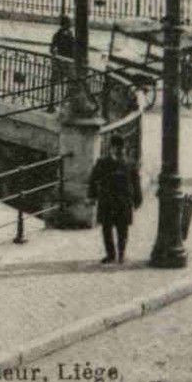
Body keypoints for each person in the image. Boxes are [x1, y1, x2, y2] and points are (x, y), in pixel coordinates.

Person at [86, 136, 142, 264]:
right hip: (108, 200)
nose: (119, 150)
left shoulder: (129, 163)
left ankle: (120, 254)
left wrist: (137, 199)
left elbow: (135, 182)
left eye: (120, 148)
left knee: (122, 229)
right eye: (117, 148)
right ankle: (111, 254)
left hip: (121, 201)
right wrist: (92, 196)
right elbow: (94, 180)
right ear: (112, 148)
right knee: (107, 229)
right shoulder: (104, 162)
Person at [48, 17, 75, 107]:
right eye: (68, 24)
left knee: (69, 82)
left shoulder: (70, 34)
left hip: (66, 62)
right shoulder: (58, 35)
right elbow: (52, 48)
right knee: (56, 82)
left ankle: (62, 101)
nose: (70, 26)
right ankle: (53, 103)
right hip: (60, 62)